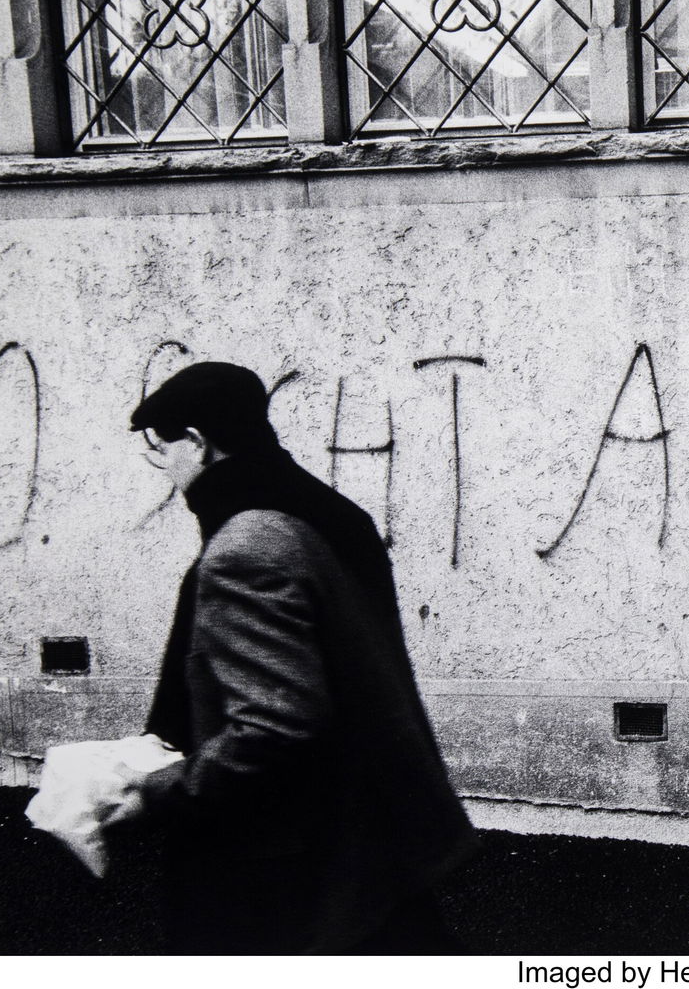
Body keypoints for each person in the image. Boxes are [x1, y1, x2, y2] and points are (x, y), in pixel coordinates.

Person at [107, 361, 478, 954]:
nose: (164, 469)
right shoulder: (334, 515)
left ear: (199, 444)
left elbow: (273, 723)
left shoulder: (247, 547)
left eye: (161, 449)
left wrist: (154, 792)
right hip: (369, 822)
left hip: (286, 855)